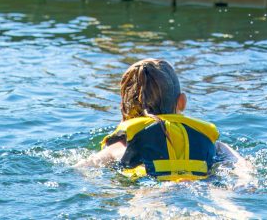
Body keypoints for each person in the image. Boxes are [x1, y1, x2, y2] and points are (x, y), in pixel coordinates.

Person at [80, 59, 245, 181]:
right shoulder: (211, 141)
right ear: (182, 102)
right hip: (200, 186)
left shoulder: (124, 144)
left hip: (151, 189)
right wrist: (244, 184)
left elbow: (87, 166)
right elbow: (242, 167)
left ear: (125, 107)